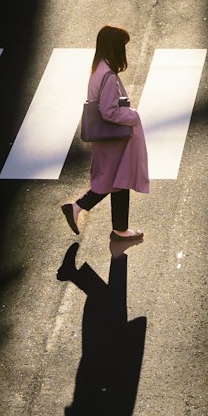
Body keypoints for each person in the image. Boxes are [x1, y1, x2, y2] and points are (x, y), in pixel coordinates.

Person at [60, 25, 150, 252]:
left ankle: (120, 229)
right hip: (113, 139)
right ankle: (77, 207)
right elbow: (109, 111)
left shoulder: (98, 68)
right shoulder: (108, 75)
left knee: (117, 181)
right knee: (112, 180)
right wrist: (133, 115)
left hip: (106, 139)